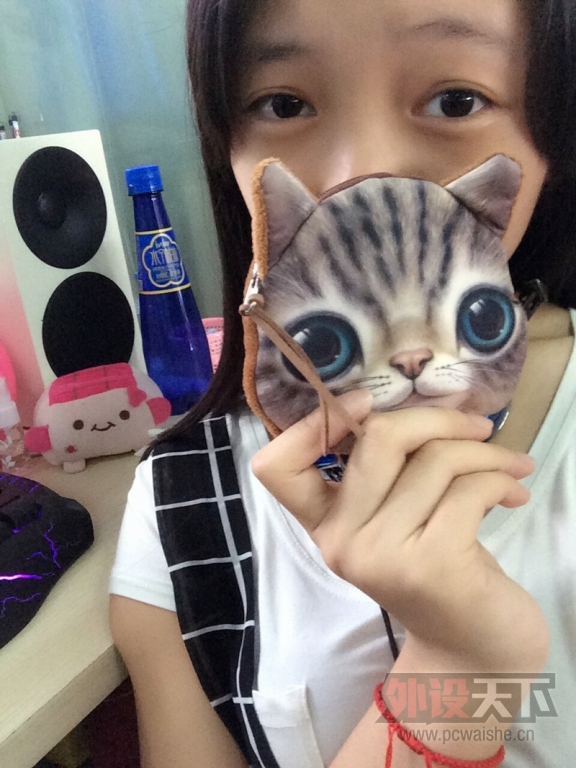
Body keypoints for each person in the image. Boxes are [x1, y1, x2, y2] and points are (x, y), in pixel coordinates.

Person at [108, 0, 576, 766]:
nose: (361, 172)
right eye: (283, 105)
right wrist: (454, 676)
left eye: (456, 99)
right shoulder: (182, 506)